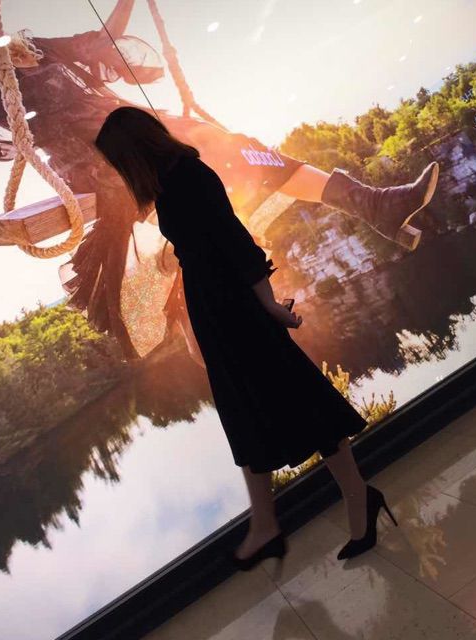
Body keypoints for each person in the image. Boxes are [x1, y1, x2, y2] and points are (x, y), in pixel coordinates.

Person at [0, 0, 440, 369]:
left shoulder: (24, 45)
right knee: (200, 210)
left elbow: (103, 41)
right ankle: (228, 353)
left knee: (240, 150)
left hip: (139, 128)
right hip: (99, 155)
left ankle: (373, 204)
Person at [95, 106, 400, 569]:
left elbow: (237, 243)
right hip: (218, 313)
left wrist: (268, 305)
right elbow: (211, 246)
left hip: (236, 311)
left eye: (117, 163)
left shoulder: (189, 178)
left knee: (299, 404)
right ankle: (271, 523)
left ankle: (346, 500)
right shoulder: (174, 183)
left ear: (132, 154)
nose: (119, 173)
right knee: (247, 414)